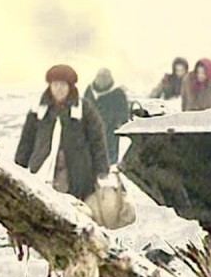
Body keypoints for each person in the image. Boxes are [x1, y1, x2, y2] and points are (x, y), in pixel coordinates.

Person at [15, 64, 109, 200]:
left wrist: (102, 170)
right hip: (43, 168)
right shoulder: (38, 110)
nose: (59, 89)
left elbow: (97, 140)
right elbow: (27, 141)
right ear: (50, 86)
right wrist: (18, 167)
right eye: (56, 85)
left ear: (70, 87)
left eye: (63, 85)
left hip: (77, 172)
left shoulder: (84, 110)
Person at [83, 67, 129, 164]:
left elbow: (124, 114)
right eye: (100, 76)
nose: (102, 79)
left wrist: (119, 123)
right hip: (92, 130)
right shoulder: (89, 91)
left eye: (105, 77)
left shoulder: (118, 93)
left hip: (110, 132)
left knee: (109, 160)